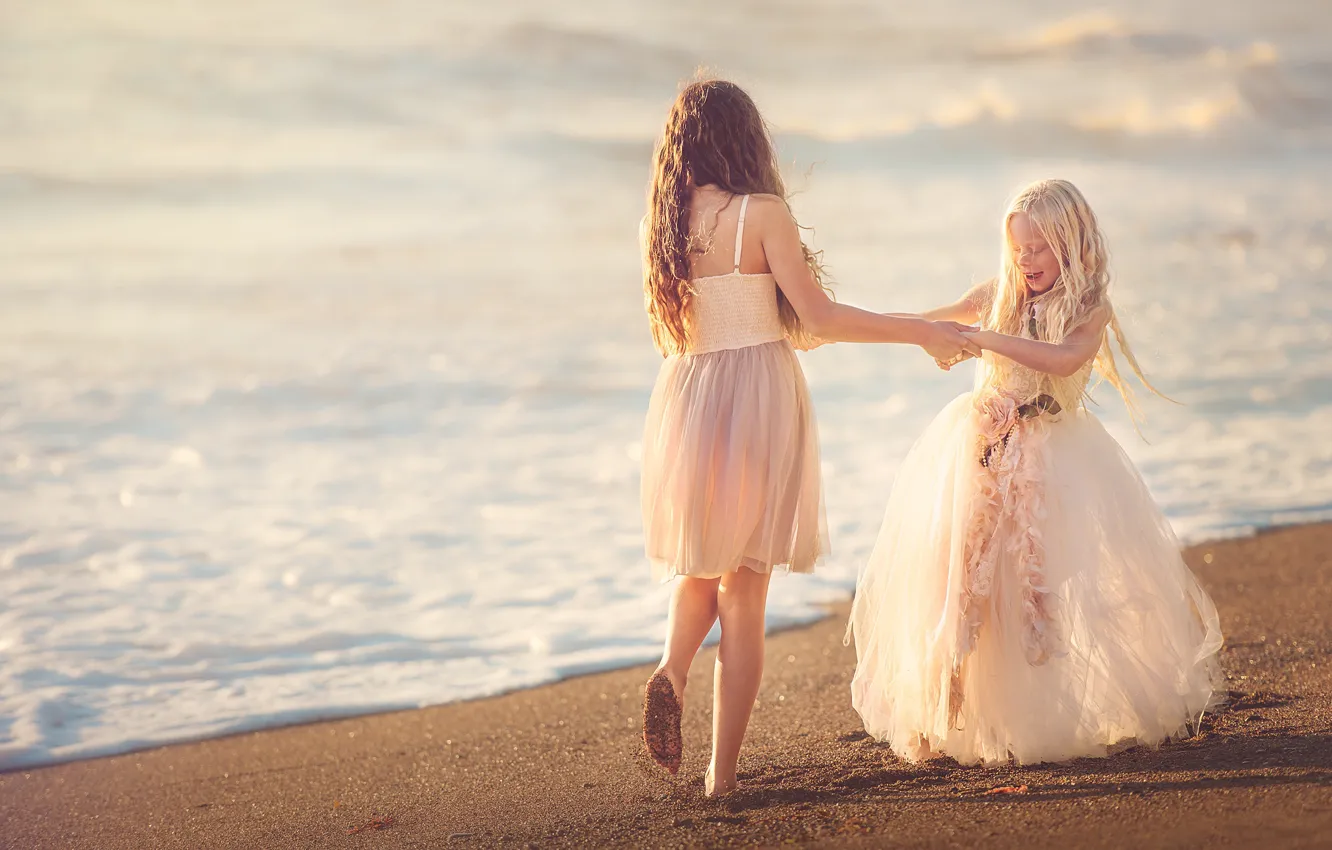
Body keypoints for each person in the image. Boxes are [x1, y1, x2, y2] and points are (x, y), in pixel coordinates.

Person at [639, 78, 976, 796]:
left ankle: (671, 670)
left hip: (687, 396)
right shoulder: (761, 215)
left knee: (702, 565)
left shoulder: (665, 226)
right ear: (745, 139)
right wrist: (920, 333)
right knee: (746, 587)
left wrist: (929, 319)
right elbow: (814, 322)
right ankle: (720, 778)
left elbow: (718, 324)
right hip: (756, 396)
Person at [847, 178, 1223, 766]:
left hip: (1049, 459)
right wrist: (867, 326)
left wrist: (989, 339)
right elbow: (928, 320)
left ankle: (1032, 710)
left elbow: (1064, 359)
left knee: (1029, 586)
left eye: (1040, 248)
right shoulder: (1000, 294)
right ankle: (939, 703)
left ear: (1073, 244)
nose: (1027, 261)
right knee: (959, 571)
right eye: (1019, 248)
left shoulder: (1087, 309)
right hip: (981, 448)